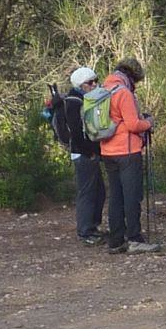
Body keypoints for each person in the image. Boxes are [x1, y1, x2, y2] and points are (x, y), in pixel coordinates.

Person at [100, 58, 161, 254]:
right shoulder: (123, 93)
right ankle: (135, 238)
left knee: (116, 197)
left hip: (107, 151)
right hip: (127, 151)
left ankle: (116, 240)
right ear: (132, 76)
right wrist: (149, 122)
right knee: (132, 196)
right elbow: (134, 124)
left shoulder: (103, 90)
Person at [64, 67, 106, 245]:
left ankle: (93, 227)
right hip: (83, 154)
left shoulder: (82, 99)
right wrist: (89, 151)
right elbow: (75, 132)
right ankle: (85, 231)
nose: (94, 84)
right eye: (90, 82)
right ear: (80, 85)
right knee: (87, 193)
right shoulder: (74, 102)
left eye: (95, 80)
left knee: (99, 191)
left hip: (88, 153)